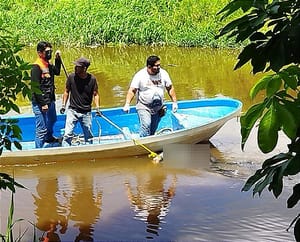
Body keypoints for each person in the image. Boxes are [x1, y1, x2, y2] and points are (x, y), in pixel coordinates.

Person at [123, 55, 177, 137]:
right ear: (149, 66)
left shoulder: (163, 73)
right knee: (146, 125)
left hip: (158, 107)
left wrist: (174, 102)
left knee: (152, 129)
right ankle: (143, 145)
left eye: (159, 65)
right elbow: (132, 90)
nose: (159, 67)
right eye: (156, 66)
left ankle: (151, 142)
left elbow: (170, 88)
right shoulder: (140, 75)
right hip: (144, 106)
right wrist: (127, 104)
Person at [60, 57, 100, 146]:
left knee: (88, 135)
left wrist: (97, 108)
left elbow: (96, 94)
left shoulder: (92, 79)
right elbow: (66, 91)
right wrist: (63, 105)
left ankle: (89, 150)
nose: (75, 68)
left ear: (84, 68)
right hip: (72, 110)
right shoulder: (71, 77)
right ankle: (66, 151)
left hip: (86, 112)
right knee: (67, 134)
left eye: (78, 66)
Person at [31, 41, 62, 148]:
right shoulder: (36, 67)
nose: (49, 54)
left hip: (50, 99)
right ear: (40, 53)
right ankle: (38, 151)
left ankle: (49, 137)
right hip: (40, 102)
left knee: (53, 119)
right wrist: (43, 103)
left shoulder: (48, 65)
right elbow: (35, 87)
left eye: (50, 51)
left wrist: (58, 59)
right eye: (47, 52)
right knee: (41, 130)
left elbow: (57, 72)